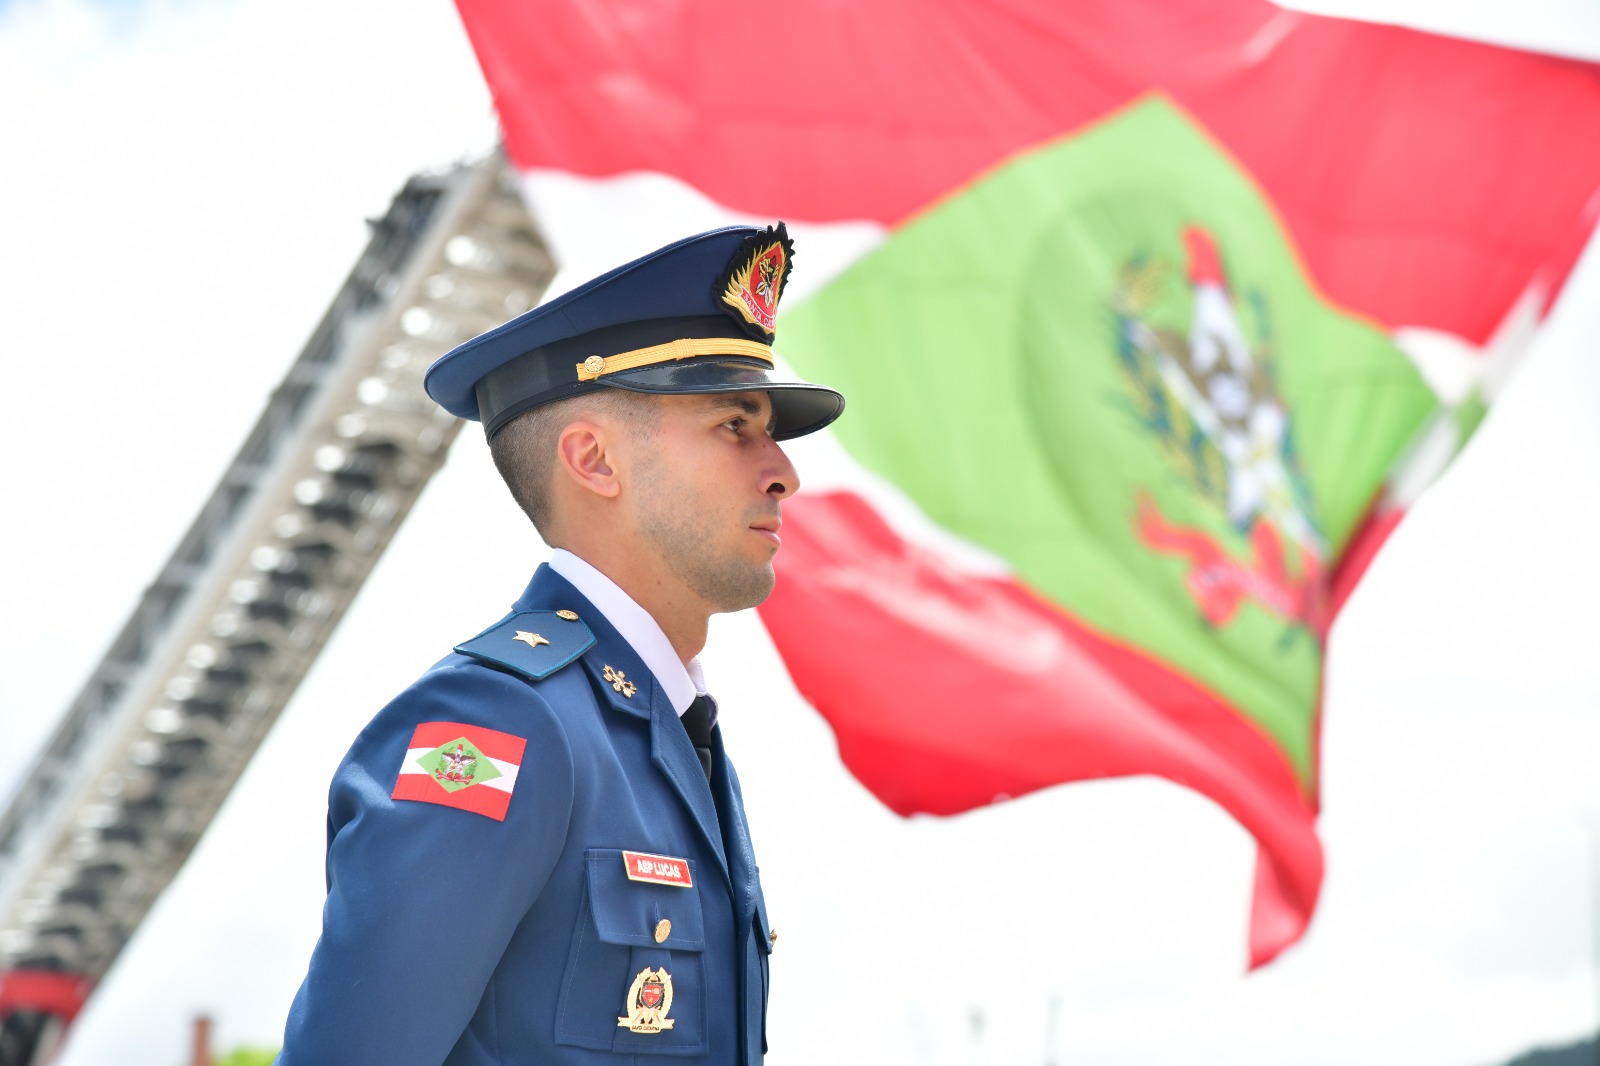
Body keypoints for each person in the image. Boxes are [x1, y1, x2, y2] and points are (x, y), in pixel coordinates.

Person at [276, 224, 844, 1065]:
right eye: (734, 424)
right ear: (594, 460)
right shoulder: (499, 724)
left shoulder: (668, 734)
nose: (783, 473)